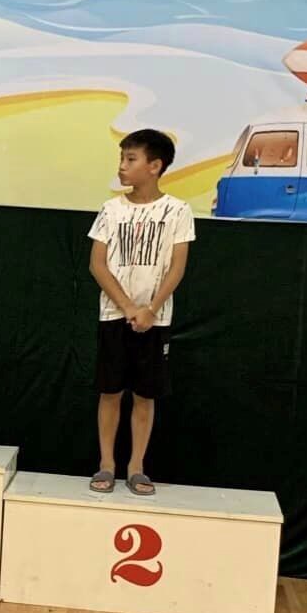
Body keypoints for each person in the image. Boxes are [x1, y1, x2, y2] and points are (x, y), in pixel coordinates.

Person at [87, 129, 195, 496]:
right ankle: (106, 463)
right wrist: (128, 306)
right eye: (121, 158)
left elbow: (177, 267)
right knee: (110, 391)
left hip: (155, 319)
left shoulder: (178, 210)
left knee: (145, 395)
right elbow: (98, 264)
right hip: (114, 315)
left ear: (155, 166)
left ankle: (137, 466)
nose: (122, 166)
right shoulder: (111, 209)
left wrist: (150, 309)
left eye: (130, 159)